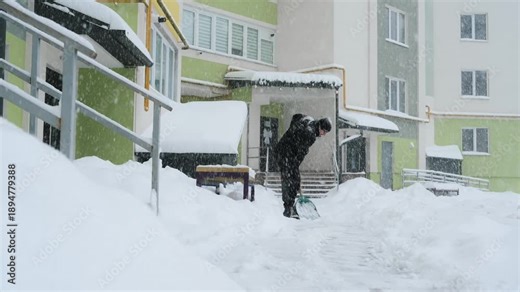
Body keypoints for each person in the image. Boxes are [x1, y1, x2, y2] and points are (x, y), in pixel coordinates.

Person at [273, 114, 332, 219]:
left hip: (283, 149)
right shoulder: (310, 135)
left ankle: (291, 206)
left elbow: (296, 116)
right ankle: (288, 209)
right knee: (290, 180)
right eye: (324, 132)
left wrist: (292, 132)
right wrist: (294, 163)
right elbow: (301, 153)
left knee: (293, 179)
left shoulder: (308, 119)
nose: (323, 135)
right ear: (320, 127)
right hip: (285, 154)